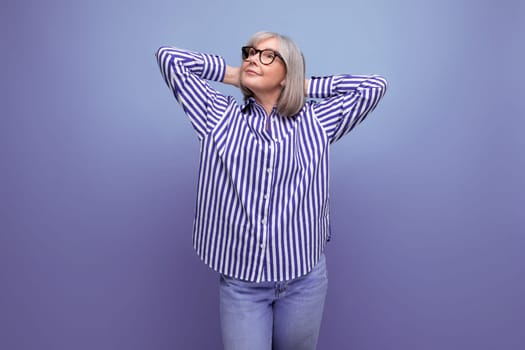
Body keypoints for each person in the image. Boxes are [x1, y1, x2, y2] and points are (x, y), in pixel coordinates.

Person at [155, 31, 387, 350]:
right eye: (249, 52)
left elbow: (374, 86)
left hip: (304, 279)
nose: (252, 58)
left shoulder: (317, 121)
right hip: (242, 285)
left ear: (287, 70)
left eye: (267, 56)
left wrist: (299, 84)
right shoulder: (216, 117)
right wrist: (234, 74)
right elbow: (169, 57)